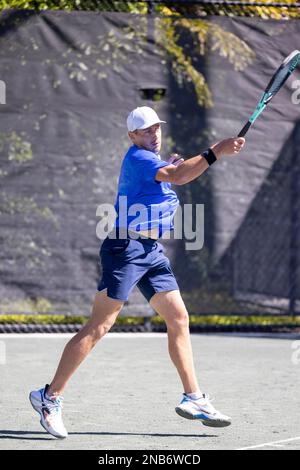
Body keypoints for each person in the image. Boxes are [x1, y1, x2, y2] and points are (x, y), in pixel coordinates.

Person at [29, 106, 245, 439]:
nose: (153, 135)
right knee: (100, 325)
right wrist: (217, 150)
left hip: (150, 252)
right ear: (132, 136)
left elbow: (173, 174)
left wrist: (177, 164)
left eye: (156, 128)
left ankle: (193, 398)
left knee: (178, 318)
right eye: (145, 131)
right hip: (125, 249)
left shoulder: (154, 162)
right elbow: (179, 176)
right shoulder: (138, 159)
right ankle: (49, 397)